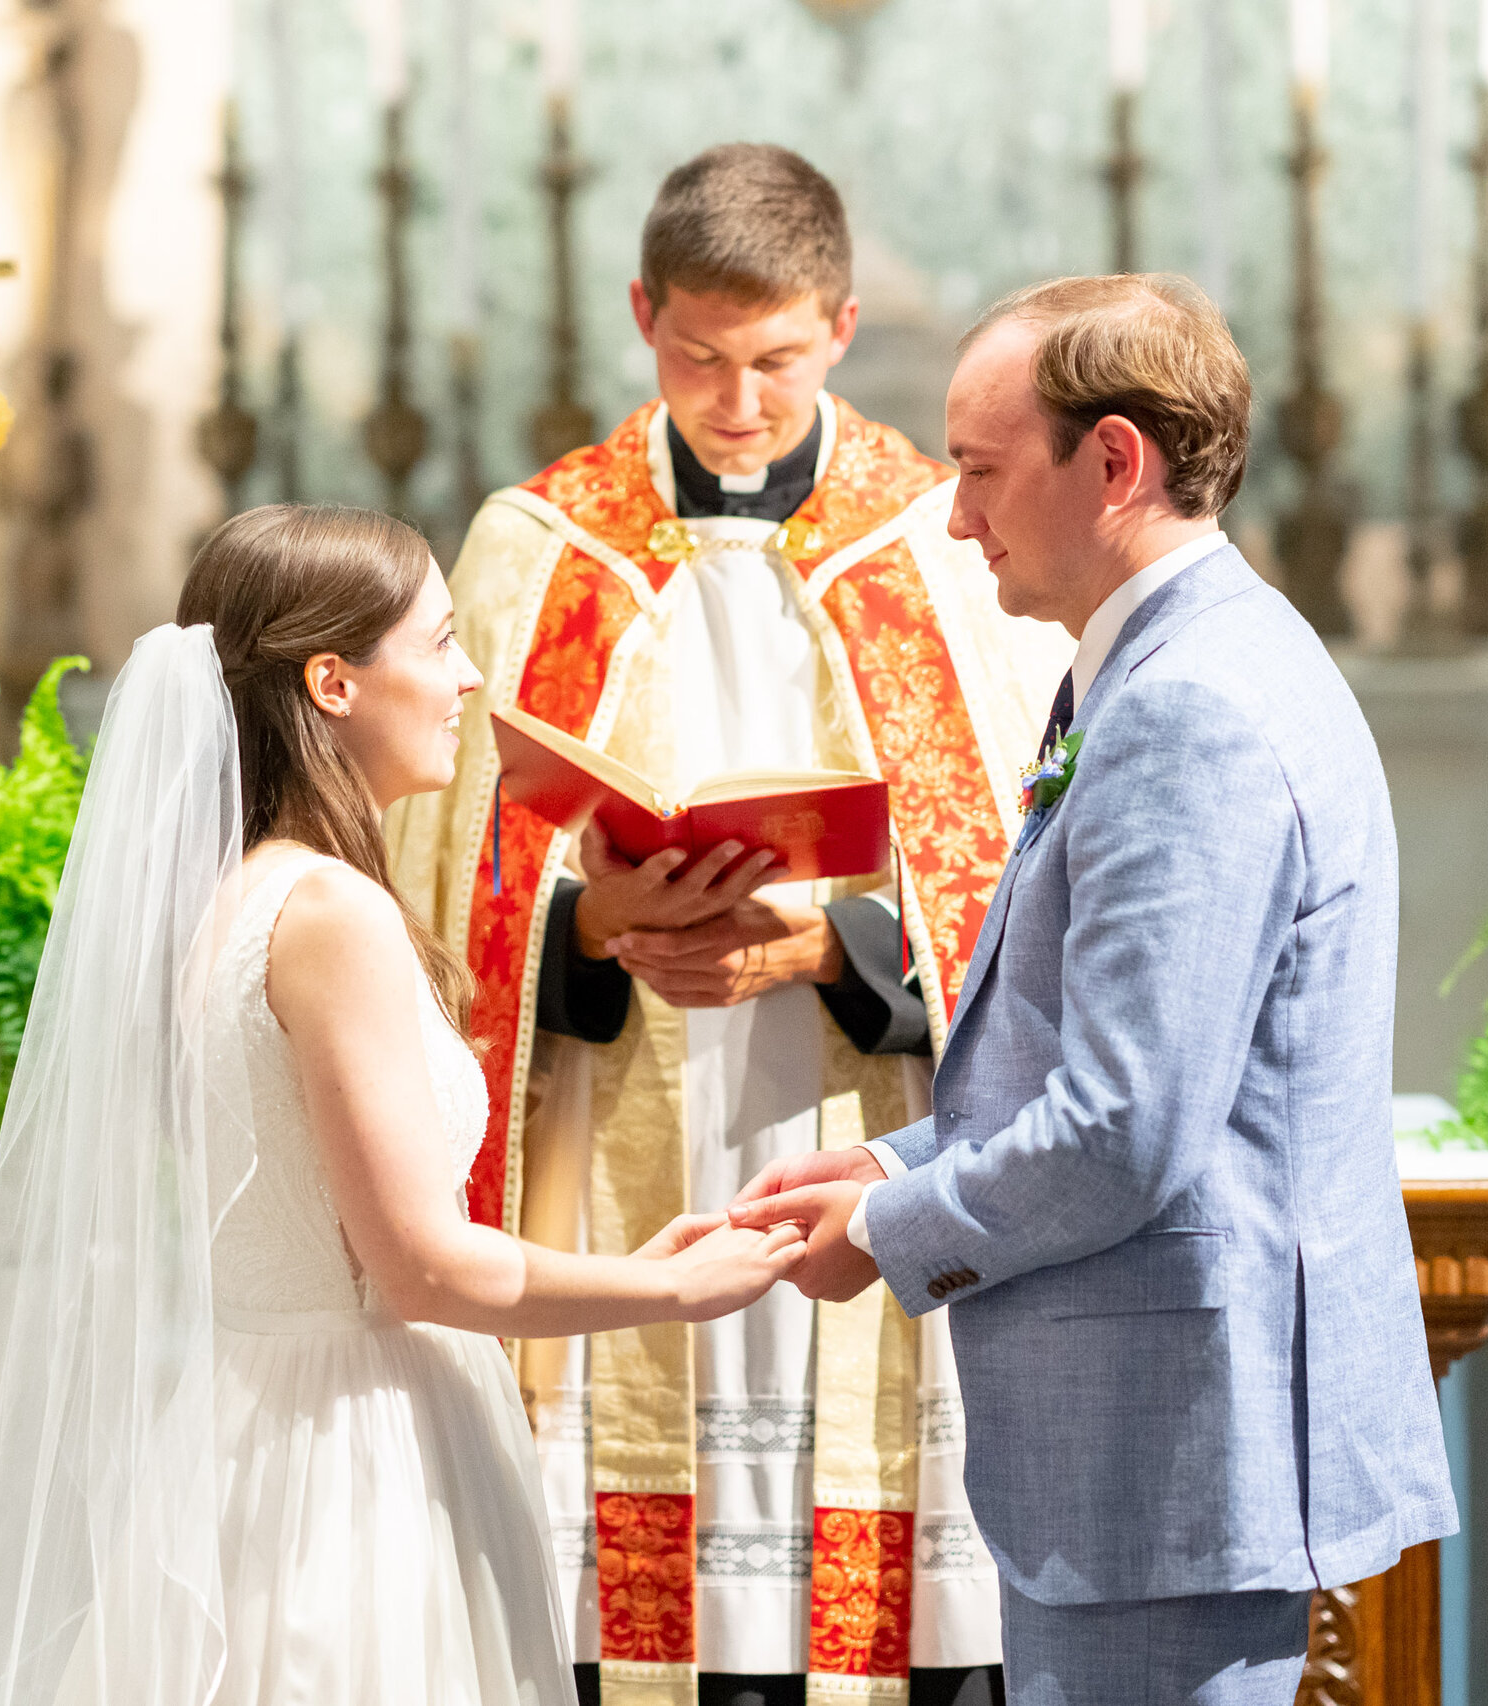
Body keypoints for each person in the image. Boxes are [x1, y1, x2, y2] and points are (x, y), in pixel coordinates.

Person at [0, 505, 809, 1706]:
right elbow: (422, 1268)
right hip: (351, 1450)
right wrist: (671, 1284)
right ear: (333, 679)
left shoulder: (228, 895)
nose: (469, 676)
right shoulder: (330, 914)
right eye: (438, 643)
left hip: (245, 1421)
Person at [390, 145, 1064, 1706]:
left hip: (857, 1107)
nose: (738, 398)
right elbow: (432, 874)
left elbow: (1016, 873)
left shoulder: (935, 541)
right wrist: (584, 918)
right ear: (643, 315)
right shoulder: (539, 545)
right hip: (608, 1133)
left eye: (772, 360)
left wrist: (839, 942)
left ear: (835, 326)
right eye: (698, 356)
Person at [730, 275, 1459, 1705]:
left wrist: (888, 1225)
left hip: (1169, 1453)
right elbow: (1119, 1062)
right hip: (1169, 1440)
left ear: (1113, 462)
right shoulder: (1197, 655)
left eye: (984, 470)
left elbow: (1127, 1127)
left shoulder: (1190, 706)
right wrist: (888, 1154)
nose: (955, 514)